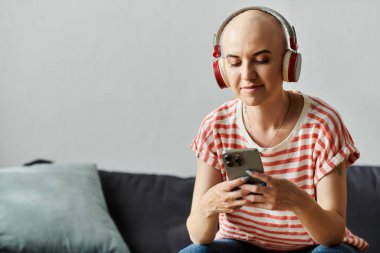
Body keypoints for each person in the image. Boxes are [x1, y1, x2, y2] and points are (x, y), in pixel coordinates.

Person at [180, 6, 368, 253]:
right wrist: (209, 206)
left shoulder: (323, 124)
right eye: (235, 63)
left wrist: (297, 201)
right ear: (222, 69)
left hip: (314, 246)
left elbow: (332, 235)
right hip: (239, 245)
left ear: (288, 64)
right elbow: (199, 236)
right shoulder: (216, 126)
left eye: (261, 60)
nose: (247, 75)